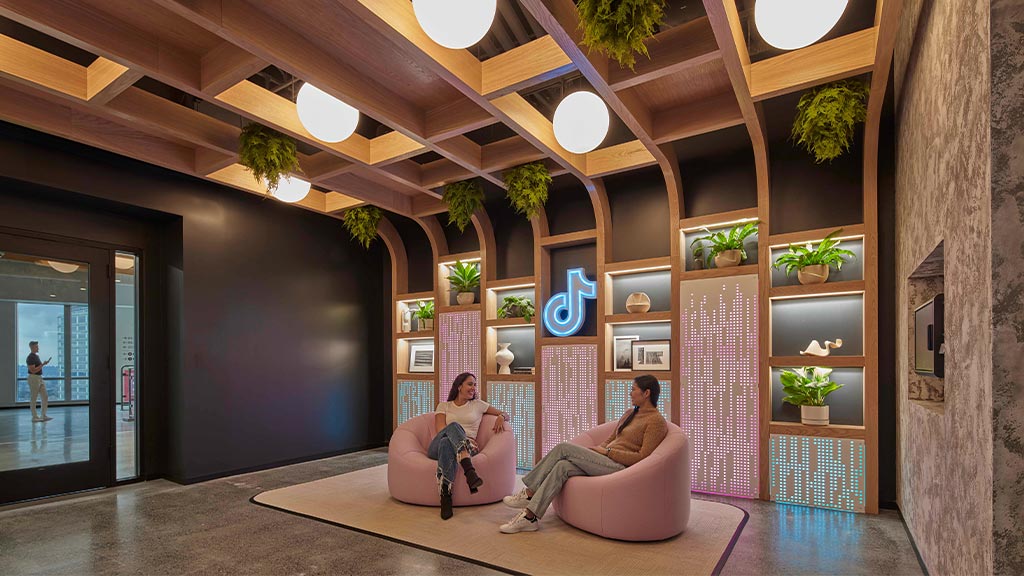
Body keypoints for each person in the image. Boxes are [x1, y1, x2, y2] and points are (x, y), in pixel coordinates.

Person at [498, 374, 667, 534]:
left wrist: (607, 452)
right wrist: (596, 451)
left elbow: (643, 457)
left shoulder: (656, 421)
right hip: (605, 460)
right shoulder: (630, 413)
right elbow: (612, 438)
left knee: (563, 448)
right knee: (562, 466)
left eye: (633, 389)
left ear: (646, 393)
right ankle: (530, 518)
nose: (630, 393)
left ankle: (529, 492)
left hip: (621, 468)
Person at [429, 372, 510, 520]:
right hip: (438, 447)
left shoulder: (478, 405)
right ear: (459, 386)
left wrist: (501, 416)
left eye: (475, 385)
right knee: (451, 429)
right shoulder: (444, 406)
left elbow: (505, 413)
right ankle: (469, 471)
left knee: (447, 443)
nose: (473, 388)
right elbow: (441, 430)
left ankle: (445, 495)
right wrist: (463, 438)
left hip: (462, 448)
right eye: (470, 384)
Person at [26, 341, 52, 423]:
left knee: (45, 396)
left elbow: (38, 367)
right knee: (34, 397)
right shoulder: (30, 357)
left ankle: (43, 415)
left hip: (39, 378)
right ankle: (34, 417)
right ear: (32, 347)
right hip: (34, 378)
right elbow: (33, 370)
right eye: (36, 346)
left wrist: (44, 364)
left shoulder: (36, 356)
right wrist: (43, 364)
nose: (38, 348)